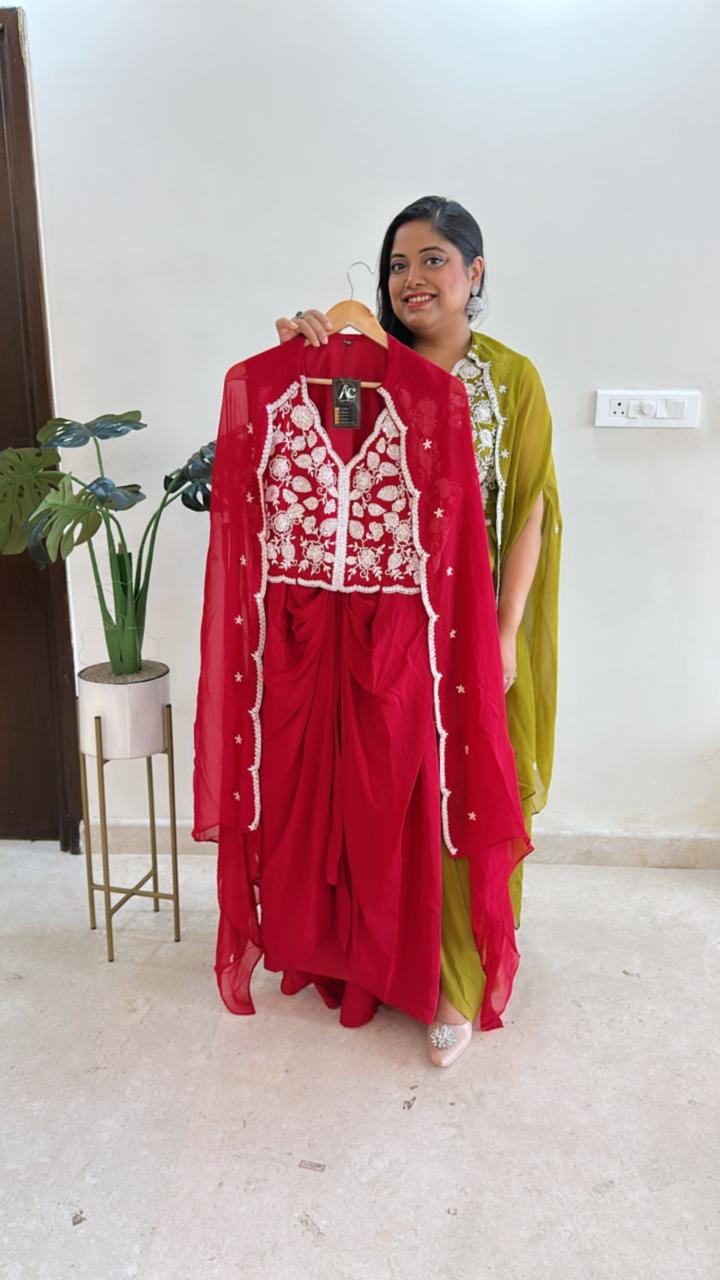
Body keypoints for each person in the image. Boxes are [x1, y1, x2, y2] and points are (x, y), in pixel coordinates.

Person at [274, 195, 561, 1065]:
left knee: (465, 797)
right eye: (398, 264)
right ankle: (378, 960)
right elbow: (327, 467)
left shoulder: (509, 380)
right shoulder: (363, 373)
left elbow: (532, 515)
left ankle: (453, 984)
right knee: (386, 799)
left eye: (434, 260)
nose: (411, 280)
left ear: (475, 274)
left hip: (475, 627)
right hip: (388, 627)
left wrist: (506, 632)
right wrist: (308, 359)